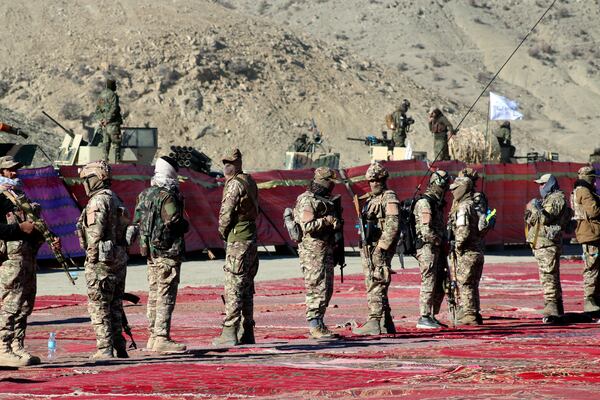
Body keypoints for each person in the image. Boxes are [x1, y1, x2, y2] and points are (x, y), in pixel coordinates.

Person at [132, 156, 188, 353]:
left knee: (154, 293)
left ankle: (153, 337)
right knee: (166, 295)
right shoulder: (167, 196)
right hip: (167, 252)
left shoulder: (144, 194)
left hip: (151, 253)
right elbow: (174, 219)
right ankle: (162, 337)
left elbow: (137, 220)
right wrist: (184, 224)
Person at [0, 157, 47, 367]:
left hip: (27, 257)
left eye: (16, 170)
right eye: (10, 171)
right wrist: (19, 229)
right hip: (10, 261)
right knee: (10, 305)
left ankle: (17, 346)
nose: (15, 174)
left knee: (25, 304)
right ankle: (2, 347)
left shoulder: (18, 196)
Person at [76, 161, 124, 359]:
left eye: (87, 180)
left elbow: (94, 234)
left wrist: (91, 259)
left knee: (98, 304)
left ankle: (105, 348)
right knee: (114, 304)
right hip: (117, 258)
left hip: (101, 262)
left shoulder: (97, 202)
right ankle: (119, 345)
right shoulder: (115, 198)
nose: (85, 184)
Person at [213, 149, 259, 346]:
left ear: (238, 163)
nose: (226, 166)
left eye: (230, 163)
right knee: (247, 286)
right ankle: (247, 330)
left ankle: (230, 331)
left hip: (237, 240)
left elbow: (226, 215)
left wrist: (222, 233)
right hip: (250, 238)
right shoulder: (249, 181)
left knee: (234, 286)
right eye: (225, 162)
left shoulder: (234, 185)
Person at [353, 162, 400, 335]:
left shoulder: (389, 197)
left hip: (379, 247)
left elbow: (393, 225)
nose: (373, 184)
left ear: (384, 180)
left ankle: (374, 321)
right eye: (371, 181)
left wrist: (382, 247)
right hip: (369, 246)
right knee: (375, 281)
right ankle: (386, 322)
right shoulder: (371, 198)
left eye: (377, 181)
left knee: (376, 281)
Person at [293, 167, 340, 339]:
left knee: (326, 288)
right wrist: (326, 221)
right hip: (312, 252)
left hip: (324, 249)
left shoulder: (324, 199)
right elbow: (307, 226)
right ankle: (314, 324)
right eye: (330, 181)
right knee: (316, 287)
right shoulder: (307, 200)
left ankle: (319, 322)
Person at [524, 174, 568, 323]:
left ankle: (552, 307)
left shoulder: (557, 199)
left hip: (548, 245)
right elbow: (535, 220)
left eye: (543, 184)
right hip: (542, 244)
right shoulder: (548, 199)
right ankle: (555, 307)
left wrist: (534, 208)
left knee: (548, 277)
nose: (540, 187)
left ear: (550, 184)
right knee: (549, 277)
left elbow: (545, 218)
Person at [414, 170, 449, 329]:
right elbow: (426, 231)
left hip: (437, 248)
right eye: (442, 186)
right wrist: (439, 240)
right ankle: (424, 315)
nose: (444, 190)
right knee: (429, 280)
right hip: (427, 248)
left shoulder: (437, 203)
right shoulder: (425, 203)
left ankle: (431, 315)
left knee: (440, 281)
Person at [448, 177, 485, 325]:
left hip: (467, 252)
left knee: (465, 284)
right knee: (472, 284)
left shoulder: (464, 207)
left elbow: (463, 230)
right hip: (476, 250)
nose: (452, 191)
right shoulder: (472, 205)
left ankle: (470, 315)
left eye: (455, 188)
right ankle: (475, 312)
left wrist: (456, 246)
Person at [571, 166, 600, 314]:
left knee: (595, 267)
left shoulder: (578, 190)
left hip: (589, 233)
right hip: (590, 233)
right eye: (593, 178)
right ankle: (589, 299)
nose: (594, 182)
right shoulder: (584, 191)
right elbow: (594, 211)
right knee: (592, 268)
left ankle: (594, 298)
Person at [94, 78, 123, 163]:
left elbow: (97, 110)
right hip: (112, 124)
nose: (116, 87)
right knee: (116, 142)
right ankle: (117, 161)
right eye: (115, 85)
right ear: (112, 85)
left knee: (105, 143)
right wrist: (108, 119)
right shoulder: (113, 95)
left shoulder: (101, 95)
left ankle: (105, 161)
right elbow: (114, 108)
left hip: (104, 125)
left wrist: (100, 120)